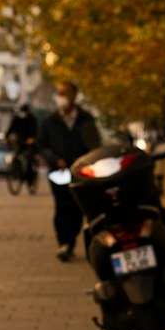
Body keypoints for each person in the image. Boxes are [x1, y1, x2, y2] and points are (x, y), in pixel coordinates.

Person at [37, 80, 101, 261]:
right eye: (59, 93)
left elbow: (94, 144)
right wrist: (54, 159)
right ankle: (64, 242)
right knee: (61, 205)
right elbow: (42, 144)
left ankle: (71, 238)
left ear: (74, 95)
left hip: (80, 172)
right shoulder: (50, 120)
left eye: (65, 93)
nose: (61, 97)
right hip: (58, 171)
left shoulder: (85, 119)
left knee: (76, 206)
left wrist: (84, 161)